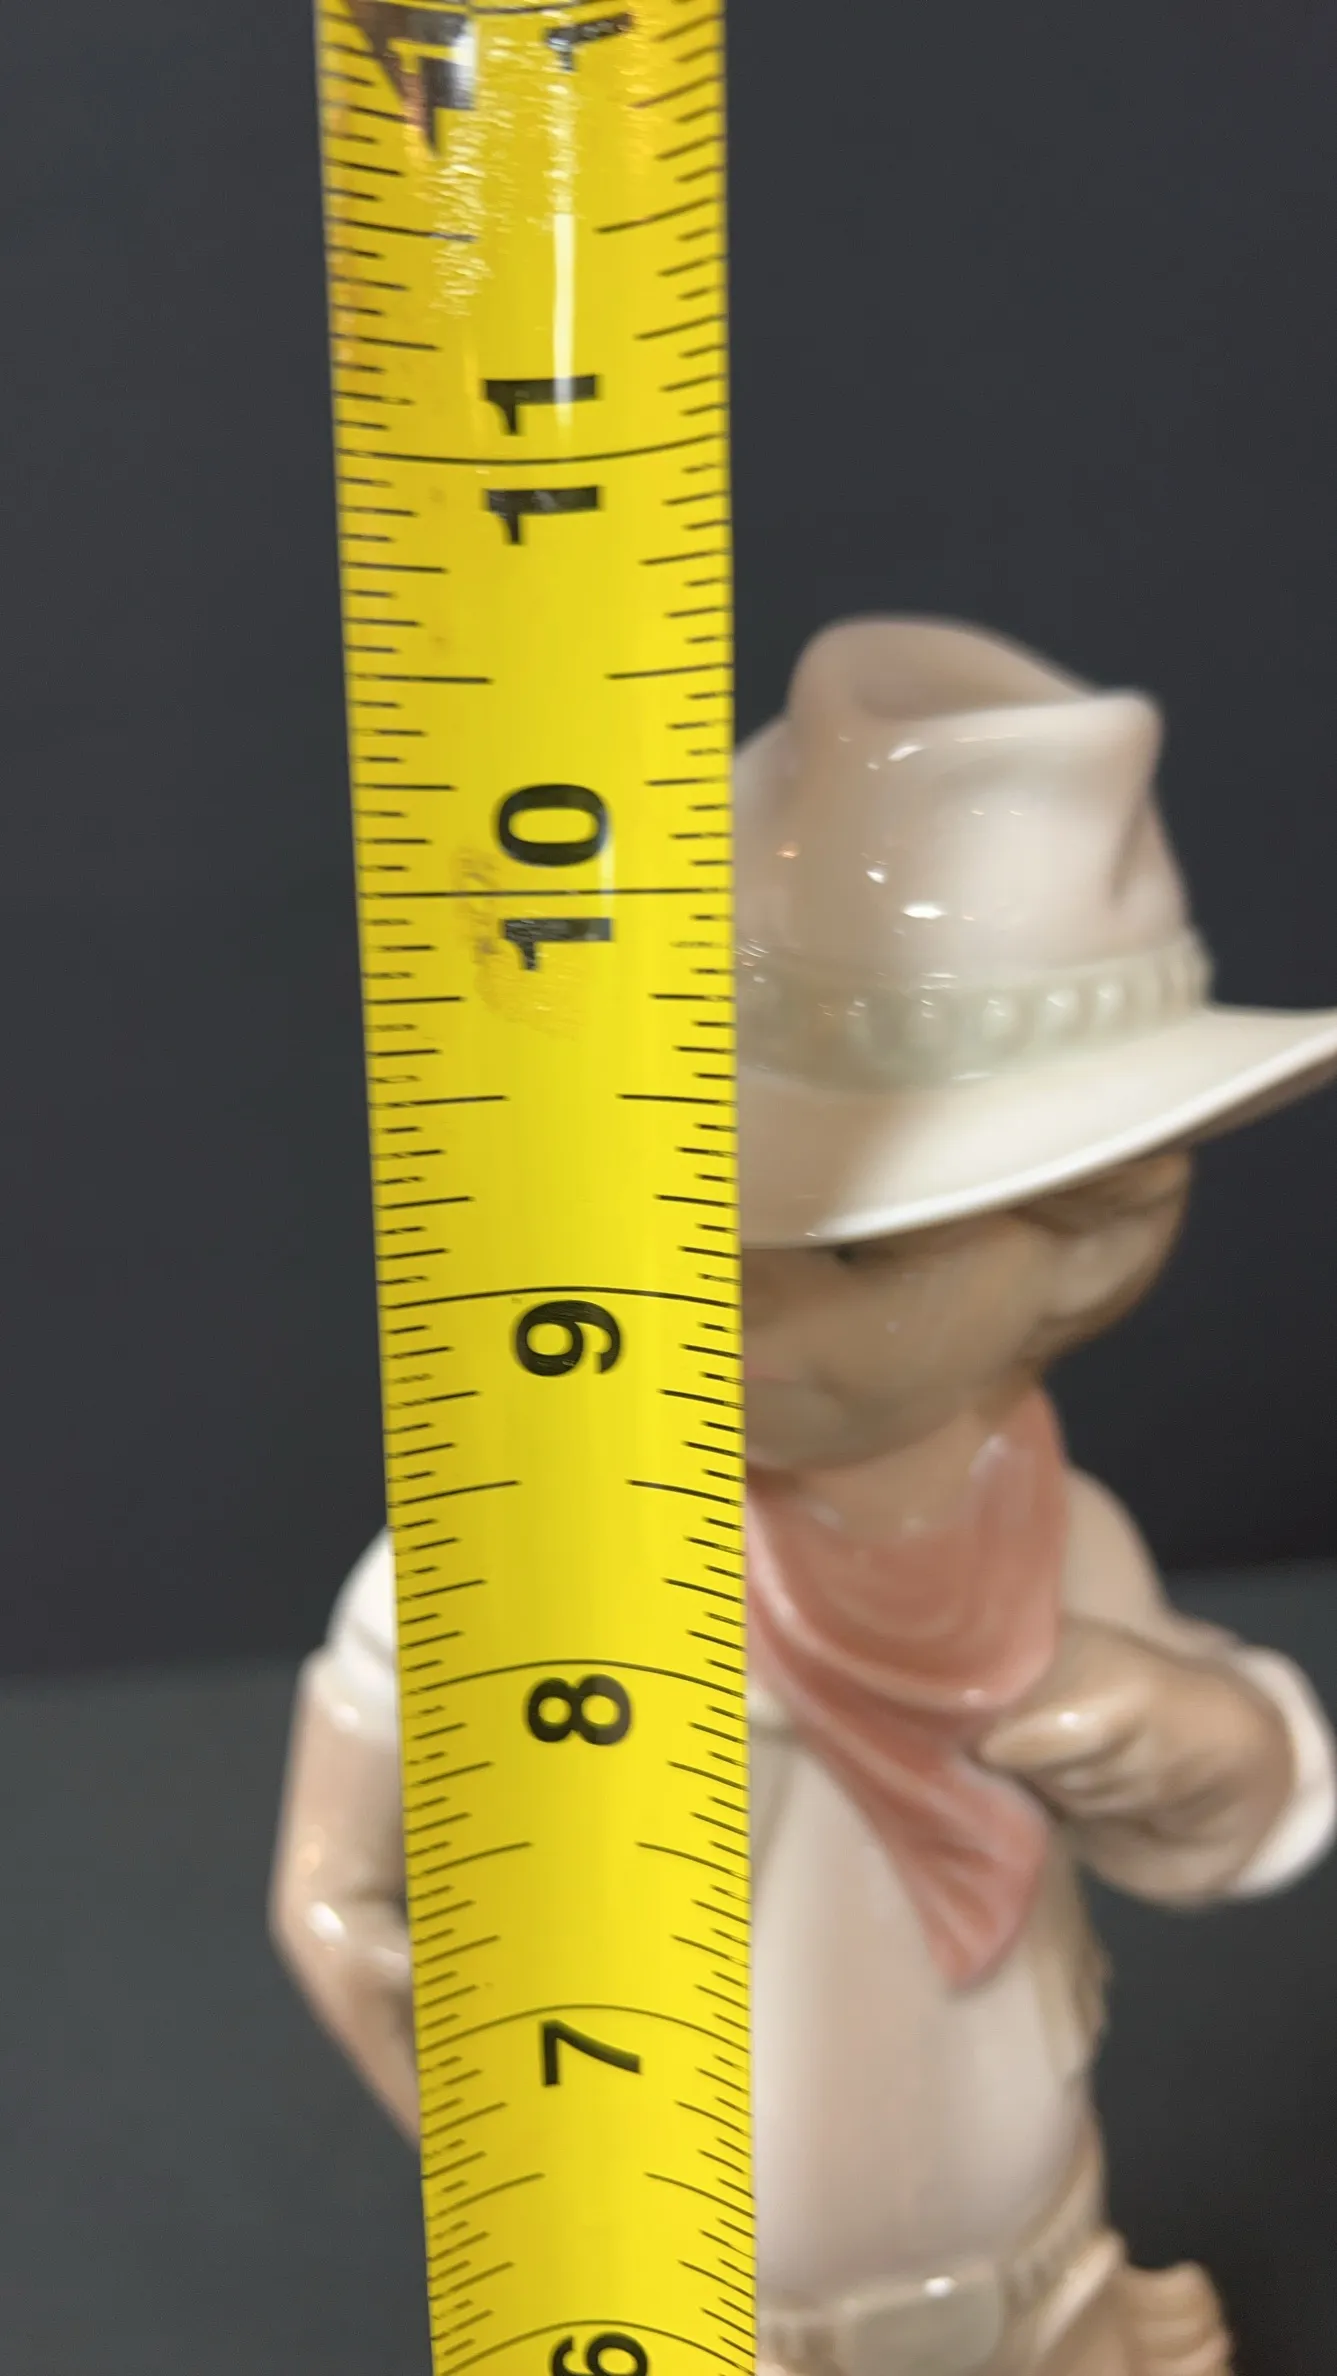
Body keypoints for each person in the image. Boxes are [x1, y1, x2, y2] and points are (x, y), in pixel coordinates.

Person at [272, 618, 1337, 2375]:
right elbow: (341, 1863)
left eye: (855, 1248)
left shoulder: (1054, 1538)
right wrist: (400, 2003)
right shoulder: (530, 1544)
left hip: (1044, 2292)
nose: (729, 1301)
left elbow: (1218, 1816)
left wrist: (1218, 1747)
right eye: (694, 1214)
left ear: (1099, 1239)